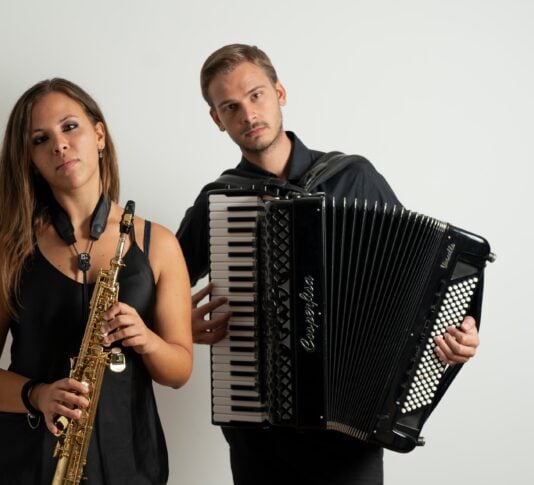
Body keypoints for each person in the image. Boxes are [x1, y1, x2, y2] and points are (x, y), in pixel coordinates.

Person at [176, 44, 481, 484]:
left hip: (350, 432)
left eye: (256, 95)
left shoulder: (353, 177)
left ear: (279, 93)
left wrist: (457, 334)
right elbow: (156, 285)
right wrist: (178, 322)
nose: (247, 113)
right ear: (216, 119)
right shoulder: (220, 202)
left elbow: (419, 278)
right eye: (230, 106)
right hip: (259, 434)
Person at [0, 78, 193, 485]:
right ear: (29, 159)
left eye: (70, 127)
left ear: (98, 134)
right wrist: (37, 395)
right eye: (39, 139)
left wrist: (146, 339)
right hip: (25, 464)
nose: (59, 145)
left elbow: (179, 370)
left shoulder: (159, 244)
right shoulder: (7, 249)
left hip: (128, 464)